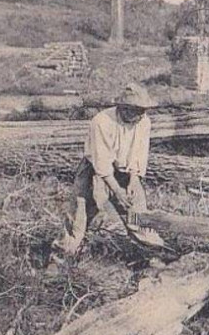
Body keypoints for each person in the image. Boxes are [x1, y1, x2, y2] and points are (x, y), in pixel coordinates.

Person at [56, 82, 155, 255]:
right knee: (80, 213)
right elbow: (101, 163)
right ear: (123, 108)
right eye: (137, 111)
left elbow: (139, 153)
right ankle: (65, 253)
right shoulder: (102, 122)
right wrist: (117, 190)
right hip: (94, 169)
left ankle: (145, 251)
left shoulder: (144, 122)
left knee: (138, 212)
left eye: (143, 110)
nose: (141, 115)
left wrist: (133, 179)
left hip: (127, 170)